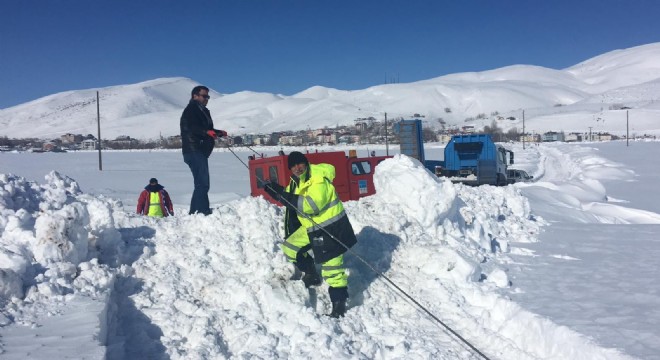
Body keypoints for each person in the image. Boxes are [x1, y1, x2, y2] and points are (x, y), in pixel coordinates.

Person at [264, 151, 358, 318]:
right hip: (313, 228)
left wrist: (281, 194)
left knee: (333, 270)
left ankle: (339, 305)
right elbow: (291, 197)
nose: (297, 168)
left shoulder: (318, 179)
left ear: (306, 163)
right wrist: (277, 191)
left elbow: (310, 205)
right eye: (293, 166)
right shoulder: (301, 181)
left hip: (331, 229)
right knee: (291, 247)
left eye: (300, 164)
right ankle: (311, 273)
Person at [180, 85, 228, 215]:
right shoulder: (191, 109)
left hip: (200, 150)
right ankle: (200, 211)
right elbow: (191, 127)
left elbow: (205, 129)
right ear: (195, 96)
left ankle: (197, 212)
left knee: (201, 184)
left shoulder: (202, 110)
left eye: (208, 97)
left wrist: (218, 132)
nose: (207, 99)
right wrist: (206, 131)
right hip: (193, 149)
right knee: (203, 183)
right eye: (204, 96)